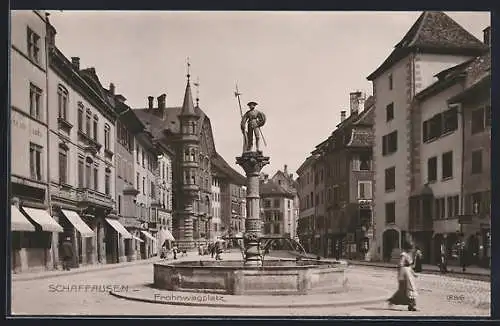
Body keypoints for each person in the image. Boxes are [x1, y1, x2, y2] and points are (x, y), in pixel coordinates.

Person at [387, 242, 418, 311]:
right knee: (405, 289)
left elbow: (409, 266)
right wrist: (402, 272)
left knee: (410, 288)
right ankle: (394, 301)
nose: (412, 249)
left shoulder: (409, 255)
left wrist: (413, 273)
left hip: (408, 273)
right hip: (404, 273)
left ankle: (411, 305)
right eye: (411, 248)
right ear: (408, 248)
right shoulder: (404, 255)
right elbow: (401, 264)